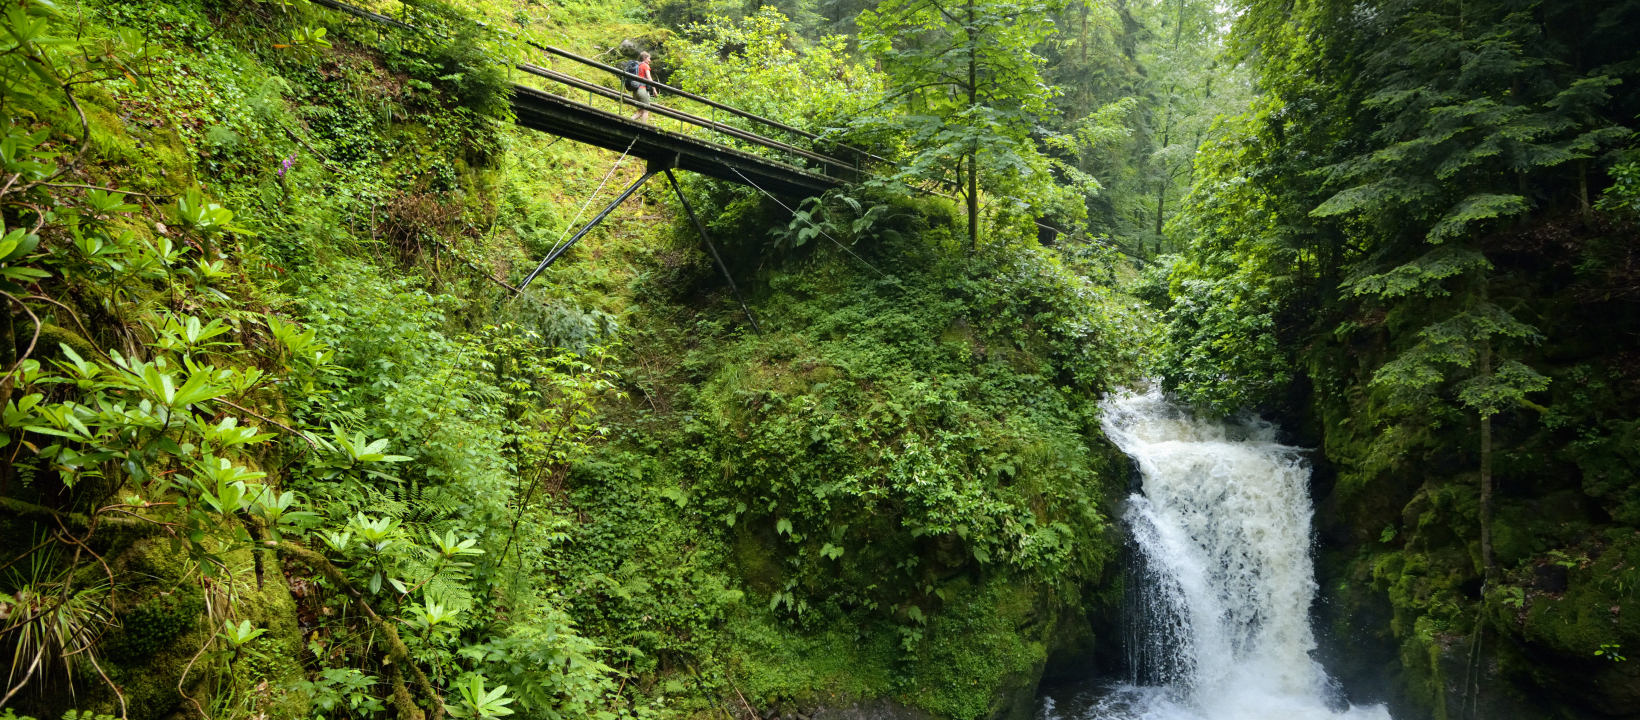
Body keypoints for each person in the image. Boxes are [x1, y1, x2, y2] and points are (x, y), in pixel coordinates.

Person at [631, 51, 660, 123]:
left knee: (641, 111)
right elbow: (649, 78)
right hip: (642, 90)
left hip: (635, 91)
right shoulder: (645, 66)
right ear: (644, 58)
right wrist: (654, 89)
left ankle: (630, 120)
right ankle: (643, 127)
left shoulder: (637, 65)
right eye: (648, 58)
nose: (649, 60)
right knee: (646, 110)